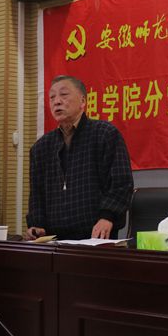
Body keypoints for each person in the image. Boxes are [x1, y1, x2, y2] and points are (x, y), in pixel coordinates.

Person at [26, 75, 133, 240]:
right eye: (52, 97)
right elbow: (36, 195)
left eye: (64, 94)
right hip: (54, 240)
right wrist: (36, 224)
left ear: (83, 101)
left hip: (97, 237)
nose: (57, 101)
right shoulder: (41, 148)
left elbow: (121, 183)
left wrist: (107, 216)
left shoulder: (105, 134)